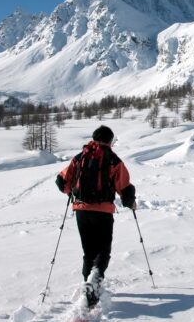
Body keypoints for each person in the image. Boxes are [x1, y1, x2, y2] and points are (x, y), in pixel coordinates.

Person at [55, 125, 136, 308]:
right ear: (110, 141)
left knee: (89, 251)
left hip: (81, 211)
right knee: (103, 250)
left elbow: (61, 181)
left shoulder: (80, 157)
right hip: (103, 211)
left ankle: (89, 289)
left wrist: (72, 193)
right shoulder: (113, 160)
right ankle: (94, 279)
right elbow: (124, 187)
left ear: (93, 138)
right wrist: (130, 202)